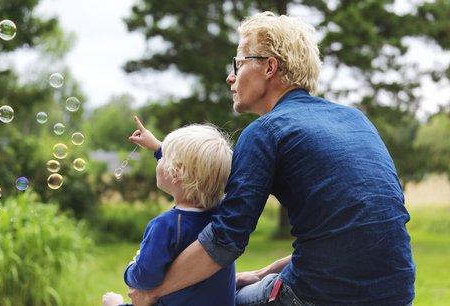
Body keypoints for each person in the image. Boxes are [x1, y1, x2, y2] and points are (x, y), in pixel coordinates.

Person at [128, 11, 415, 306]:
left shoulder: (267, 131)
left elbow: (225, 240)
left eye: (238, 64)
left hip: (322, 297)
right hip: (398, 292)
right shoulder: (355, 119)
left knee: (211, 299)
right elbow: (358, 228)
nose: (230, 77)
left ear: (269, 68)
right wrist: (266, 273)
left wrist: (155, 291)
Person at [102, 117, 235, 306]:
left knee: (110, 301)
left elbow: (145, 279)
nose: (160, 157)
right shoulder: (222, 216)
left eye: (164, 157)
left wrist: (131, 268)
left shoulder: (165, 226)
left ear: (175, 173)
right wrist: (157, 147)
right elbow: (187, 166)